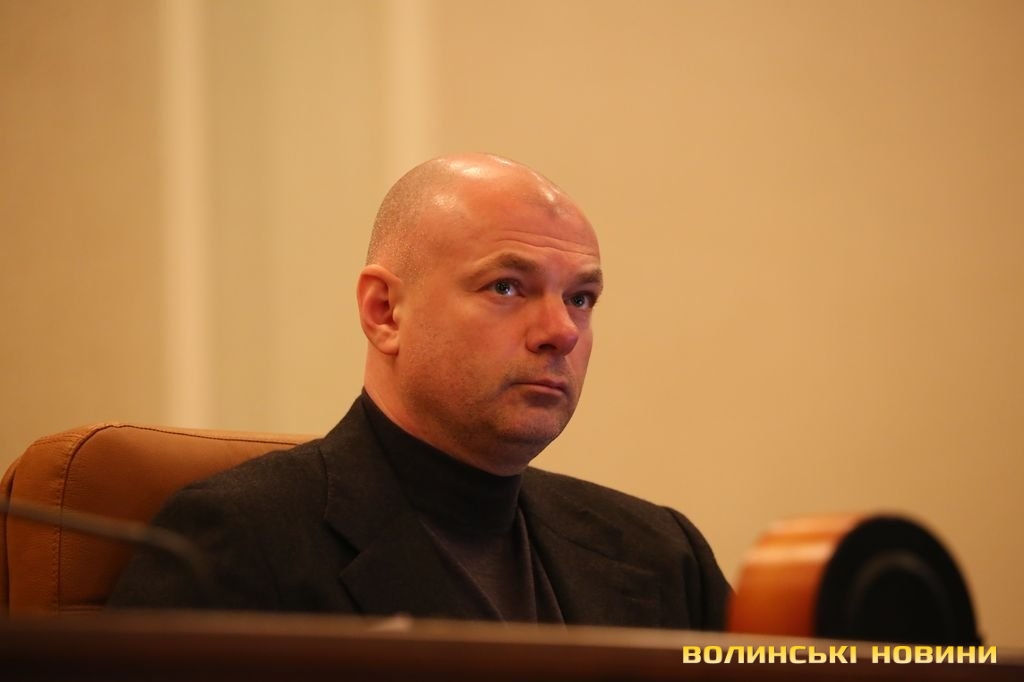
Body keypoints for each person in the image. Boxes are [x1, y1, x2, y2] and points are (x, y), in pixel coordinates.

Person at [109, 153, 731, 628]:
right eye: (507, 287)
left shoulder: (662, 555)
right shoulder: (236, 543)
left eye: (581, 298)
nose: (561, 331)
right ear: (384, 311)